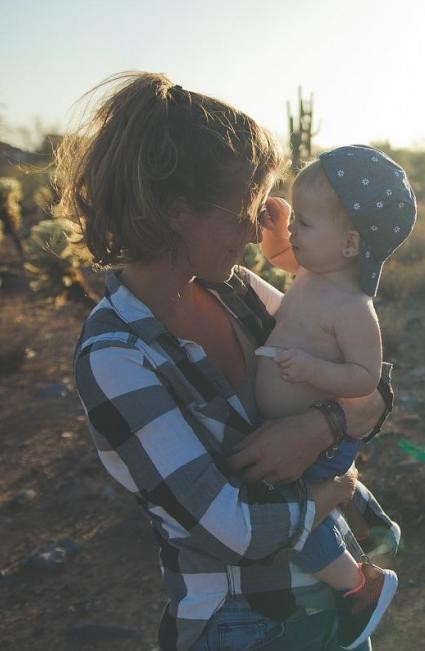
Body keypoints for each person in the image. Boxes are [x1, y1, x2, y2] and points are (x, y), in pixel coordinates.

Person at [56, 72, 400, 651]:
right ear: (173, 210)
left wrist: (322, 425)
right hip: (244, 622)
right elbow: (231, 529)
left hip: (329, 605)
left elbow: (372, 388)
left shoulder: (238, 290)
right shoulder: (116, 355)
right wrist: (334, 489)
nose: (253, 229)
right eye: (242, 207)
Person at [252, 146, 416, 648]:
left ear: (348, 243)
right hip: (302, 434)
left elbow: (365, 377)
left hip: (317, 440)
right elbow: (281, 256)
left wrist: (314, 370)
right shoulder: (312, 273)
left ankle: (357, 587)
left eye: (305, 222)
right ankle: (372, 518)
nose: (295, 233)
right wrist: (279, 227)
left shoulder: (351, 307)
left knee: (297, 513)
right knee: (317, 493)